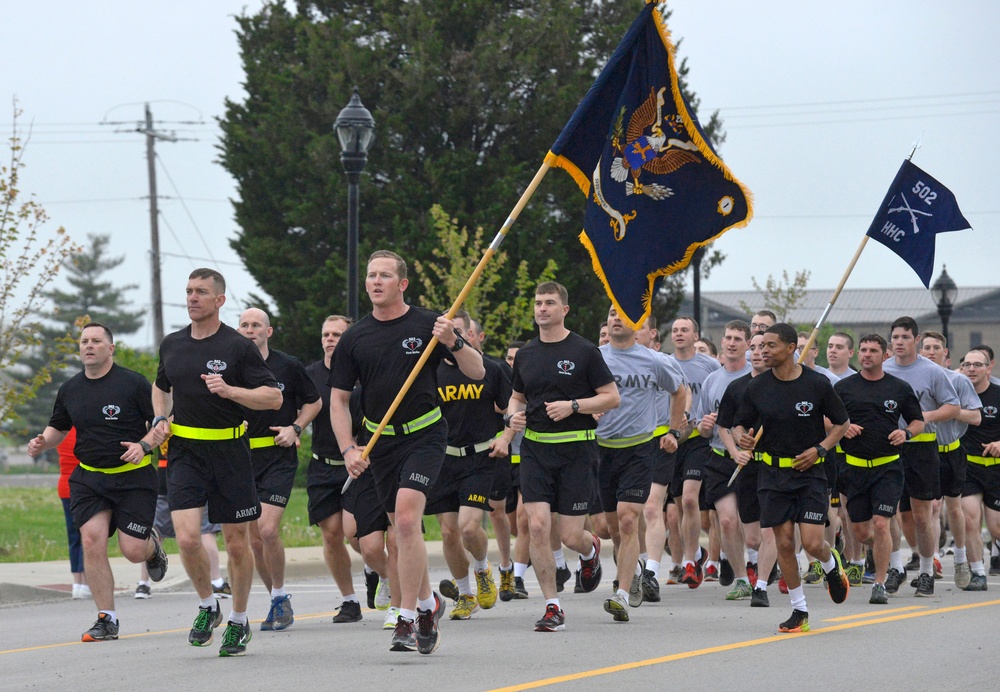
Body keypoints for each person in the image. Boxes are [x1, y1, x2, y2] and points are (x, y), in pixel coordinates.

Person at [330, 250, 484, 655]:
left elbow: (478, 371)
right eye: (370, 275)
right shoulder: (354, 338)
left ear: (402, 284)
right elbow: (339, 401)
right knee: (400, 525)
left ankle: (405, 616)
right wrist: (349, 448)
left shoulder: (429, 323)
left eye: (384, 275)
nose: (375, 281)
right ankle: (428, 604)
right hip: (381, 443)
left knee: (406, 520)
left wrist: (453, 340)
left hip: (426, 435)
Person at [152, 268, 282, 657]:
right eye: (189, 291)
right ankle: (209, 605)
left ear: (220, 300)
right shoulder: (173, 344)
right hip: (185, 452)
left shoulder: (237, 347)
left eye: (201, 292)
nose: (192, 298)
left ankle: (240, 621)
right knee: (188, 537)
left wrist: (231, 391)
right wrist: (160, 418)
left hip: (229, 452)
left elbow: (273, 398)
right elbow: (161, 387)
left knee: (237, 544)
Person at [27, 322, 169, 642]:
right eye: (83, 342)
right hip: (89, 478)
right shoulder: (70, 389)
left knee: (132, 551)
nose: (88, 346)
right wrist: (42, 442)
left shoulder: (133, 384)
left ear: (110, 348)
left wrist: (143, 445)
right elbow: (58, 428)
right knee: (92, 540)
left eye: (95, 341)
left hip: (133, 478)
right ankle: (107, 619)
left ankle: (151, 546)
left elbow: (161, 424)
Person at [506, 282, 620, 632]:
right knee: (537, 524)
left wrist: (574, 406)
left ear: (564, 309)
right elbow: (516, 398)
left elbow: (611, 397)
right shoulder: (525, 353)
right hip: (536, 450)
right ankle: (552, 606)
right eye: (538, 303)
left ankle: (590, 551)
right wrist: (512, 416)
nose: (542, 309)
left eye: (550, 303)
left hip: (577, 450)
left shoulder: (584, 351)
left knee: (571, 536)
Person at [733, 323, 851, 633]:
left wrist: (820, 450)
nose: (763, 351)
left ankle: (830, 563)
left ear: (790, 349)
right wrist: (743, 439)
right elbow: (740, 425)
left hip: (810, 473)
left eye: (770, 345)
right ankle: (800, 610)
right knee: (784, 543)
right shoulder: (756, 387)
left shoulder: (817, 384)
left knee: (812, 542)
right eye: (760, 347)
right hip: (772, 474)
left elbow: (842, 423)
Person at [306, 315, 395, 625]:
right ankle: (349, 600)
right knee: (331, 536)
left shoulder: (361, 374)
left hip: (358, 465)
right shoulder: (311, 376)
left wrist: (357, 449)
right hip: (322, 464)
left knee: (355, 536)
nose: (330, 339)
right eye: (326, 334)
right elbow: (299, 408)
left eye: (337, 334)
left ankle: (383, 574)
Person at [597, 305, 684, 620]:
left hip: (639, 448)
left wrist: (674, 430)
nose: (616, 318)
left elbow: (679, 391)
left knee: (629, 519)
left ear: (639, 325)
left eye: (623, 313)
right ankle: (629, 573)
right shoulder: (595, 358)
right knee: (613, 528)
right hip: (602, 449)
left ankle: (620, 594)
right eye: (611, 313)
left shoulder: (654, 360)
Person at [238, 308, 322, 631]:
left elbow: (314, 402)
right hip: (242, 458)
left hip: (278, 454)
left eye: (256, 325)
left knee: (268, 529)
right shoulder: (230, 366)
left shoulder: (287, 365)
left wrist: (296, 429)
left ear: (268, 332)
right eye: (244, 325)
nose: (249, 330)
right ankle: (275, 598)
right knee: (254, 540)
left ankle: (282, 594)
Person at [430, 309, 512, 620]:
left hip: (480, 458)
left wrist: (505, 437)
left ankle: (481, 567)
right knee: (449, 532)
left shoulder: (491, 369)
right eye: (449, 332)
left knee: (468, 527)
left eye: (460, 332)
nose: (454, 337)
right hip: (442, 459)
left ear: (471, 335)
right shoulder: (431, 371)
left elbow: (512, 412)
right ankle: (465, 594)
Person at [835, 334, 924, 604]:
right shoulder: (844, 388)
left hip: (887, 468)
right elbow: (826, 419)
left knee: (882, 523)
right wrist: (843, 427)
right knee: (862, 533)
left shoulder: (898, 388)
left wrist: (906, 433)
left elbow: (918, 421)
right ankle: (884, 555)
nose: (867, 355)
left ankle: (880, 583)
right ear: (857, 354)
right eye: (863, 350)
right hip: (854, 469)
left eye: (873, 350)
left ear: (884, 355)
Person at [881, 317, 959, 597]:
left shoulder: (932, 371)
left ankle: (926, 570)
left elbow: (953, 407)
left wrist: (925, 417)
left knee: (922, 516)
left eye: (905, 337)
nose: (899, 342)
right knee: (887, 512)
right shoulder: (883, 368)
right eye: (895, 337)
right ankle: (895, 567)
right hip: (889, 447)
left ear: (916, 340)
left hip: (923, 447)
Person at [716, 332, 778, 607]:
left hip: (775, 466)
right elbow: (724, 425)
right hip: (746, 466)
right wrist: (736, 451)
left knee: (769, 532)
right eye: (753, 347)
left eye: (763, 347)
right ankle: (769, 562)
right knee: (753, 538)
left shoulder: (783, 386)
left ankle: (761, 586)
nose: (757, 352)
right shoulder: (737, 387)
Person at [695, 321, 754, 601]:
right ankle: (742, 578)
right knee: (728, 521)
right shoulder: (712, 381)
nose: (731, 343)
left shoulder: (756, 378)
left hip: (751, 459)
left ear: (748, 344)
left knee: (753, 531)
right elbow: (701, 427)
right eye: (728, 338)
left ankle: (760, 564)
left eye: (737, 339)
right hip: (719, 458)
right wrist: (705, 426)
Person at [919, 331, 981, 588]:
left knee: (954, 509)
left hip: (951, 450)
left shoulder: (958, 380)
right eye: (926, 348)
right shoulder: (914, 379)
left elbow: (976, 417)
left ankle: (960, 557)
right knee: (930, 508)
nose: (931, 352)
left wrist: (949, 412)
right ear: (919, 352)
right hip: (924, 451)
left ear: (945, 353)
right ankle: (931, 560)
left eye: (936, 347)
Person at [671, 316, 721, 588]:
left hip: (699, 439)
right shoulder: (665, 364)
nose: (679, 334)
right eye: (675, 330)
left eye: (684, 330)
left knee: (691, 500)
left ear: (695, 335)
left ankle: (689, 562)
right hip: (672, 440)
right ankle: (697, 553)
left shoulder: (710, 365)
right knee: (679, 506)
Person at [959, 350, 1000, 591]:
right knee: (969, 520)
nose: (972, 369)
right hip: (969, 467)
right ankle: (978, 573)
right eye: (967, 365)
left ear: (988, 368)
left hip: (996, 470)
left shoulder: (997, 394)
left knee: (995, 528)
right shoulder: (956, 395)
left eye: (977, 365)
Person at [55, 429, 89, 600]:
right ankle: (88, 581)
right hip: (83, 486)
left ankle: (77, 583)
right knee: (88, 535)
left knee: (73, 536)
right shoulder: (85, 428)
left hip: (64, 486)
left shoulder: (60, 433)